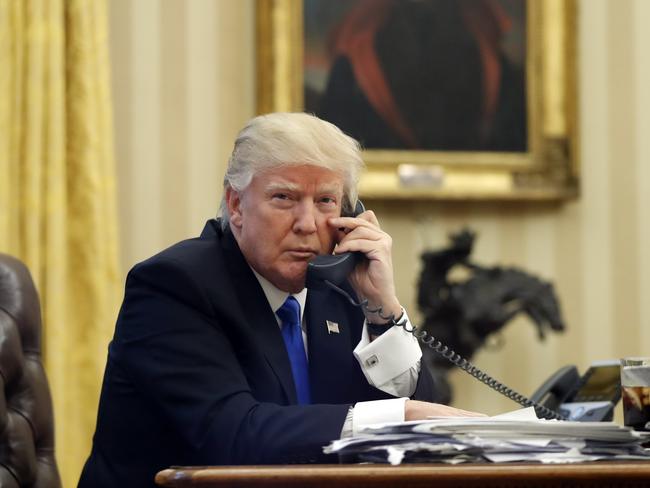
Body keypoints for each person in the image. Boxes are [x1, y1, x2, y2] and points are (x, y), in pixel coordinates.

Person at [78, 112, 483, 488]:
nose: (307, 224)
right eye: (284, 199)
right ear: (236, 205)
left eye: (325, 201)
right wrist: (400, 418)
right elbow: (234, 436)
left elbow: (424, 431)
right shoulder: (175, 286)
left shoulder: (340, 286)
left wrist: (383, 309)